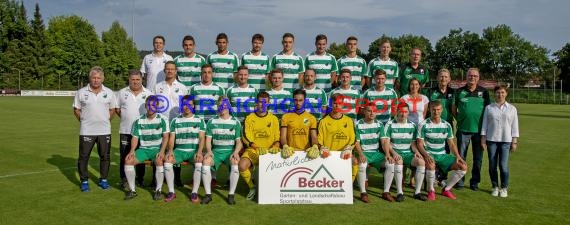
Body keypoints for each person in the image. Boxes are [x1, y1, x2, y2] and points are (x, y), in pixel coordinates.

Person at [73, 66, 117, 192]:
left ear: (102, 79)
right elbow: (76, 109)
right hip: (87, 130)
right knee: (84, 157)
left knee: (105, 156)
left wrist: (105, 120)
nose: (96, 80)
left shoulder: (109, 92)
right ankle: (84, 181)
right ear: (90, 78)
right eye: (94, 77)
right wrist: (84, 121)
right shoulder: (81, 92)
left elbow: (113, 110)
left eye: (98, 78)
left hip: (104, 131)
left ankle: (103, 179)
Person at [417, 101, 468, 201]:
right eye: (433, 110)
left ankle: (446, 189)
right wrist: (426, 155)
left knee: (463, 167)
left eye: (438, 110)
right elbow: (419, 143)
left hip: (442, 155)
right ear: (429, 110)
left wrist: (457, 156)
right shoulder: (423, 124)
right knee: (431, 165)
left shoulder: (447, 125)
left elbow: (451, 144)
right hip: (429, 154)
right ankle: (431, 191)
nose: (436, 112)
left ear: (442, 110)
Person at [123, 95, 170, 200]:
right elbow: (135, 138)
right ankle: (132, 190)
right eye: (148, 105)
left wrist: (162, 151)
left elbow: (166, 137)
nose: (150, 107)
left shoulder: (163, 119)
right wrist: (132, 151)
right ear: (145, 106)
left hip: (156, 149)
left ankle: (158, 190)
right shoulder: (138, 120)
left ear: (157, 106)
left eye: (153, 105)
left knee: (159, 161)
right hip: (143, 150)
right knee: (128, 160)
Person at [162, 95, 206, 203]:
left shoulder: (200, 120)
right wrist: (170, 150)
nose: (186, 107)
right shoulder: (175, 121)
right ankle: (171, 192)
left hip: (193, 151)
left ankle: (194, 192)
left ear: (193, 106)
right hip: (179, 151)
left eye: (189, 105)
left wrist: (200, 151)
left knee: (199, 162)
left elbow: (201, 139)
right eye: (184, 105)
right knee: (167, 161)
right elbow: (171, 139)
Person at [452, 68, 490, 190]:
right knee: (461, 157)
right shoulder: (459, 91)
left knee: (477, 159)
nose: (472, 77)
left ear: (478, 78)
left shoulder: (484, 92)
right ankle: (460, 181)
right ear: (466, 77)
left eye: (475, 75)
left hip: (479, 131)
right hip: (463, 129)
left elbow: (488, 110)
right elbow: (454, 108)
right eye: (470, 75)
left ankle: (474, 182)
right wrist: (460, 119)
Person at [115, 70, 154, 189]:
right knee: (125, 156)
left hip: (143, 131)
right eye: (133, 79)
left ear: (142, 80)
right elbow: (117, 109)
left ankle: (140, 179)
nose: (135, 82)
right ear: (129, 80)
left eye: (138, 79)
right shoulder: (122, 93)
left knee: (140, 156)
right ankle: (124, 179)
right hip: (126, 130)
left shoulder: (148, 93)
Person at [201, 96, 243, 205]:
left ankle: (231, 195)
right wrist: (209, 151)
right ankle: (208, 195)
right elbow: (208, 140)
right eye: (220, 105)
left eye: (225, 105)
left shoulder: (235, 122)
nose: (223, 107)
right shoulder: (211, 121)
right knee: (205, 162)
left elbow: (239, 142)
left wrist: (236, 152)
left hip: (229, 151)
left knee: (235, 162)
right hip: (216, 151)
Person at [239, 91, 281, 201]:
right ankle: (252, 187)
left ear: (269, 103)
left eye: (265, 102)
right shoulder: (249, 118)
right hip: (254, 150)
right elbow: (246, 137)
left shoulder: (274, 119)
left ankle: (274, 189)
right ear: (256, 103)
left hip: (269, 151)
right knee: (242, 165)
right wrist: (256, 147)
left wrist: (276, 145)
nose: (262, 105)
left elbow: (277, 137)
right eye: (260, 102)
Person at [381, 104, 427, 202]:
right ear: (397, 111)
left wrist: (417, 152)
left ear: (408, 113)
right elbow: (386, 142)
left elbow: (413, 144)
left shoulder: (412, 125)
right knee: (399, 161)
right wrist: (393, 153)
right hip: (396, 152)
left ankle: (417, 192)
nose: (403, 114)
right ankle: (399, 193)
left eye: (405, 112)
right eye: (401, 111)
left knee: (421, 162)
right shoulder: (390, 124)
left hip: (408, 153)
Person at [481, 85, 519, 198]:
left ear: (506, 93)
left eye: (502, 92)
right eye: (498, 92)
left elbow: (514, 126)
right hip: (491, 140)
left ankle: (504, 188)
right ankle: (495, 187)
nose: (500, 95)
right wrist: (483, 139)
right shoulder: (489, 108)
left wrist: (514, 141)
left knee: (503, 165)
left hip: (506, 141)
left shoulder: (512, 108)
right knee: (492, 165)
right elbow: (484, 125)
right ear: (494, 94)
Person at [317, 93, 357, 197]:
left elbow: (353, 139)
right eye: (334, 103)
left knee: (355, 161)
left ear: (343, 104)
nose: (337, 106)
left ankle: (348, 187)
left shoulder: (349, 121)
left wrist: (348, 148)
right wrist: (322, 147)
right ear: (331, 104)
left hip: (344, 154)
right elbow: (319, 140)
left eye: (339, 103)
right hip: (328, 155)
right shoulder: (323, 121)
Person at [354, 104, 394, 203]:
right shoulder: (358, 124)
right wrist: (361, 154)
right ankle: (363, 193)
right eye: (369, 111)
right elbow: (357, 142)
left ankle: (386, 192)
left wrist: (388, 154)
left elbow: (384, 141)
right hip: (364, 153)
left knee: (391, 164)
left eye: (374, 111)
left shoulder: (379, 124)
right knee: (362, 165)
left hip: (376, 154)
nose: (372, 113)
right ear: (364, 112)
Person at [427, 69, 455, 183]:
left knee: (445, 152)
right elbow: (427, 108)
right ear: (437, 78)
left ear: (449, 79)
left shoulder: (453, 92)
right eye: (441, 76)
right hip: (432, 125)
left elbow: (454, 109)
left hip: (446, 126)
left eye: (445, 77)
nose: (443, 79)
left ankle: (443, 177)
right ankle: (432, 175)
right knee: (432, 151)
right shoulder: (431, 91)